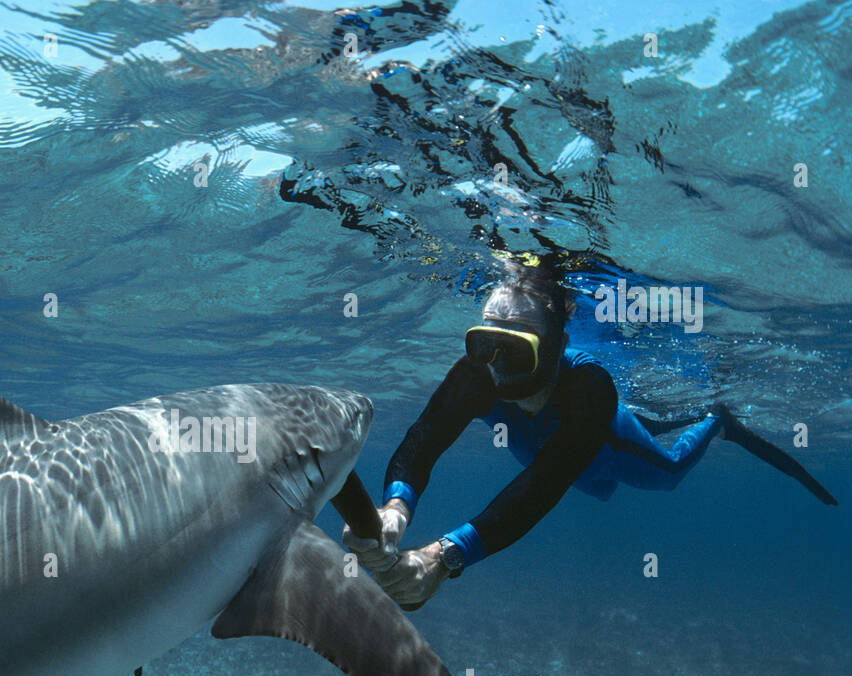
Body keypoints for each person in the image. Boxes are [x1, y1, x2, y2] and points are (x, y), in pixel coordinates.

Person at [344, 257, 839, 609]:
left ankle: (716, 422)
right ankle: (673, 419)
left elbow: (547, 481)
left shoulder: (590, 388)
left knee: (665, 474)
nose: (492, 370)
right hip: (561, 456)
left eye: (513, 352)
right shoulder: (477, 376)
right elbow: (423, 440)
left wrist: (443, 556)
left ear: (558, 345)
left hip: (600, 445)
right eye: (484, 345)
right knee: (598, 492)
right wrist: (393, 512)